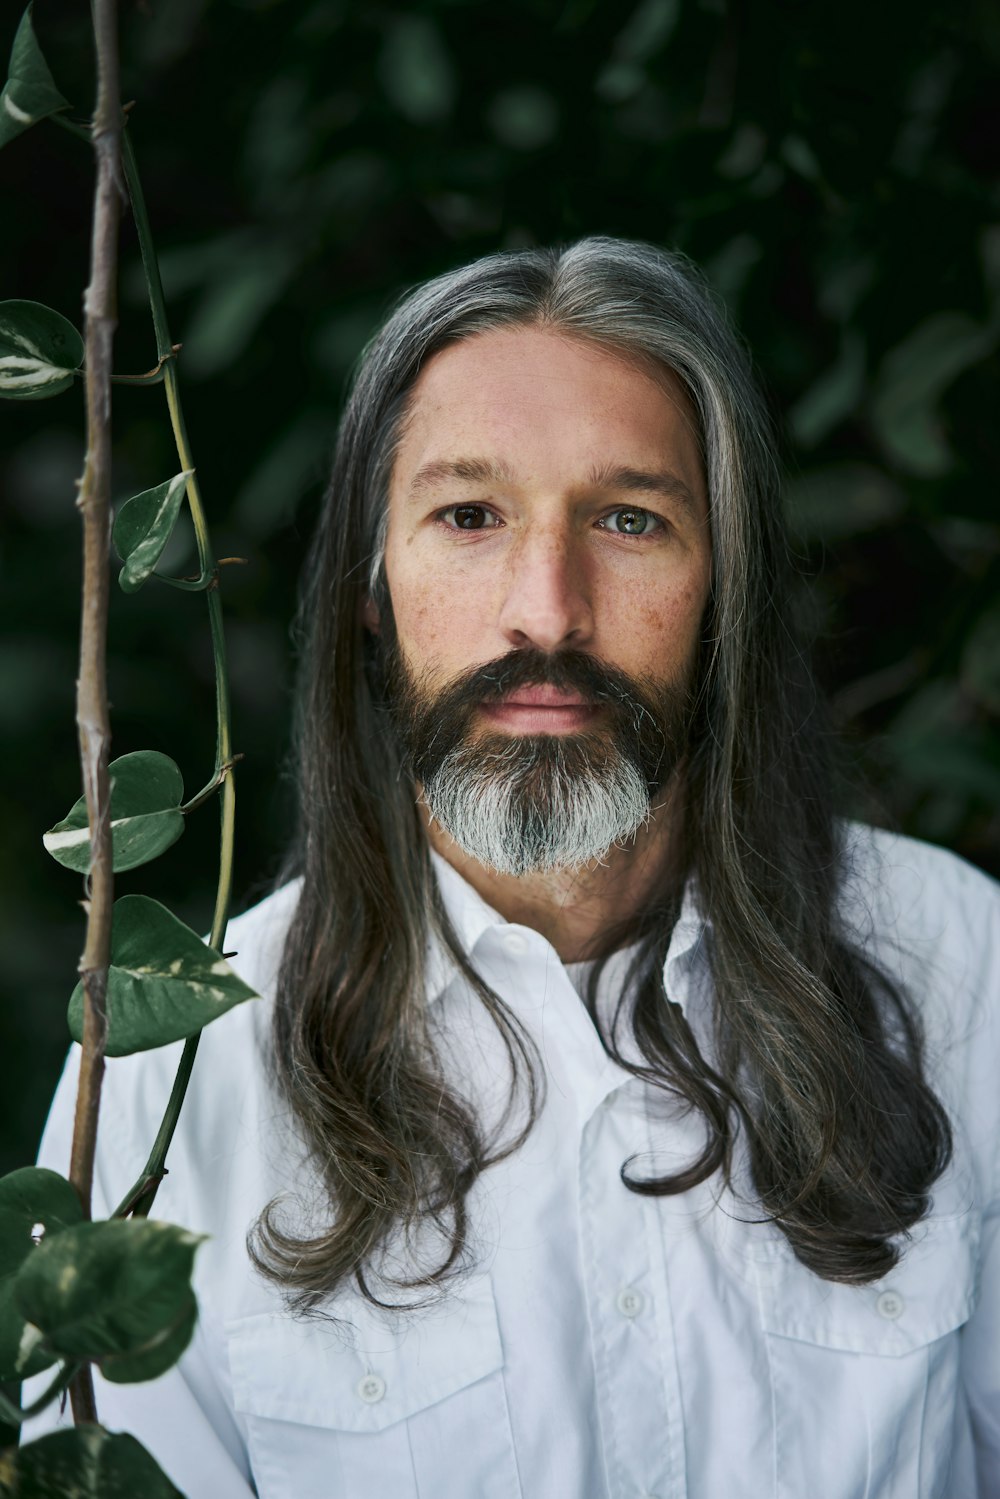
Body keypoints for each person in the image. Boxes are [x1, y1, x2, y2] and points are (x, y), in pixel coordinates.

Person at [23, 237, 1000, 1497]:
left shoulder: (962, 966)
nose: (546, 608)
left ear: (726, 588)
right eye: (469, 515)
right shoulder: (181, 1065)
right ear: (371, 585)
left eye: (630, 518)